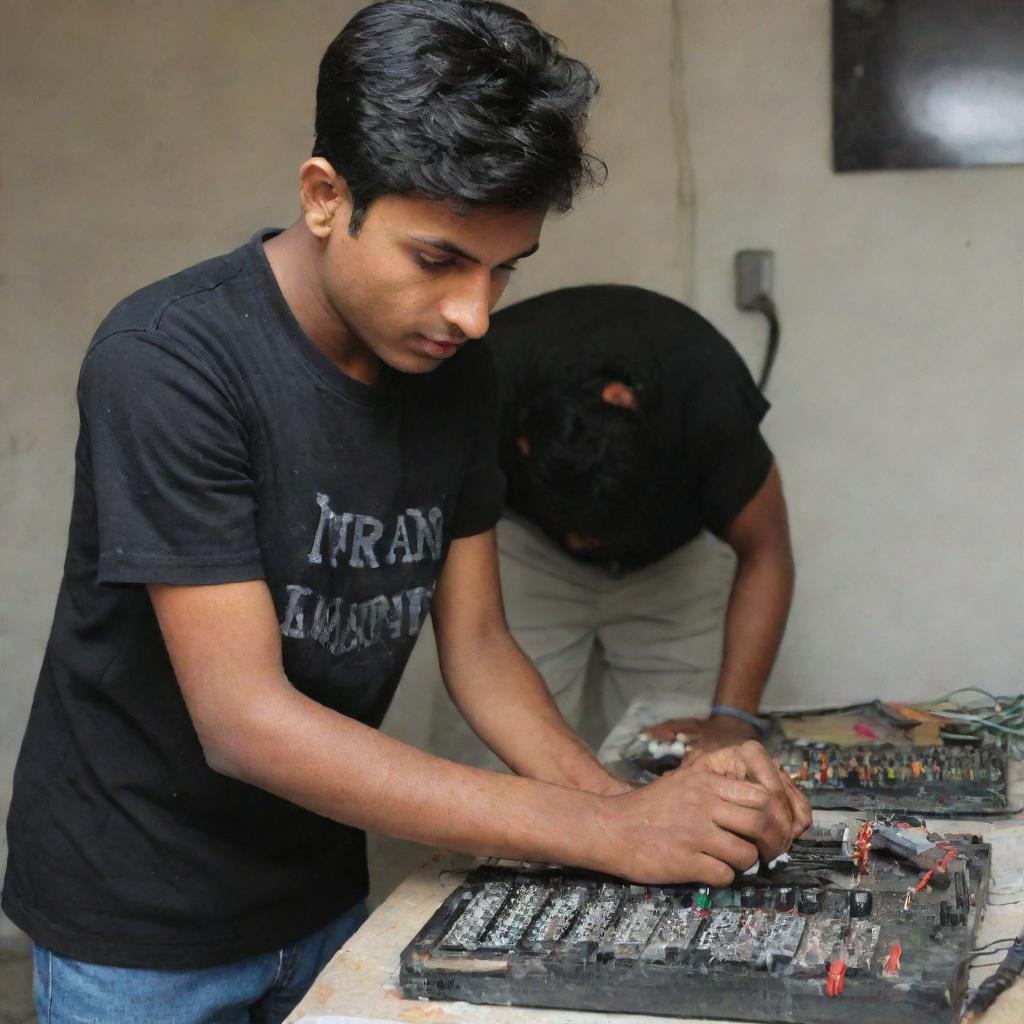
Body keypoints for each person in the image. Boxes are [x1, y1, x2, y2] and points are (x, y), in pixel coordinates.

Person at [3, 3, 809, 1021]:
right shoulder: (169, 362)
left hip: (320, 886)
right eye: (438, 260)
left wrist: (636, 811)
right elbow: (245, 722)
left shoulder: (458, 375)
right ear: (325, 196)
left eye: (504, 267)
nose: (475, 313)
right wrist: (601, 832)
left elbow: (477, 645)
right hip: (141, 922)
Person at [432, 284, 795, 762]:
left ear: (622, 399)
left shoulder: (708, 395)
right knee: (491, 760)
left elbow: (766, 551)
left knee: (687, 758)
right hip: (527, 551)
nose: (585, 545)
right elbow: (476, 645)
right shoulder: (484, 378)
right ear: (523, 445)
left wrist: (732, 718)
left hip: (673, 565)